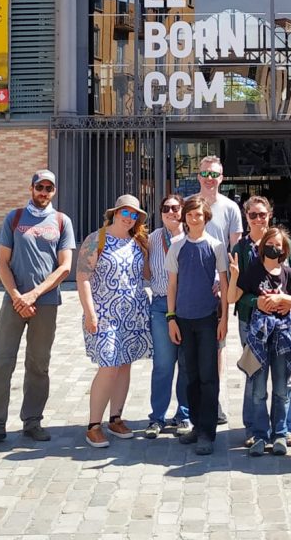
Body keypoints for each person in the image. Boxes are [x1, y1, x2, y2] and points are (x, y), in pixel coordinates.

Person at [0, 170, 76, 450]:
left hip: (45, 304)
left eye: (49, 188)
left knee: (38, 365)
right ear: (31, 188)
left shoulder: (61, 221)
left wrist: (34, 294)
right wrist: (18, 296)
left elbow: (65, 266)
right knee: (0, 362)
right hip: (14, 303)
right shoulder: (15, 218)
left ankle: (32, 422)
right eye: (40, 187)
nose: (44, 192)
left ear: (54, 191)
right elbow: (2, 262)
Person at [76, 194, 152, 448]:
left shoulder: (137, 241)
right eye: (125, 213)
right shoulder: (96, 239)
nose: (129, 219)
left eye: (134, 215)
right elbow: (83, 278)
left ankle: (116, 417)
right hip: (104, 315)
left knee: (124, 365)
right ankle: (93, 425)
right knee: (108, 365)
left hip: (133, 314)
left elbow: (146, 275)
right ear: (115, 213)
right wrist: (89, 312)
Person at [231, 195, 291, 447]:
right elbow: (239, 291)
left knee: (285, 377)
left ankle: (284, 429)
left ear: (269, 215)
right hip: (251, 322)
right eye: (253, 215)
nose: (258, 219)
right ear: (246, 217)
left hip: (285, 319)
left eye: (262, 214)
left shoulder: (283, 243)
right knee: (256, 374)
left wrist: (286, 301)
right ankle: (254, 428)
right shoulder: (241, 249)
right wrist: (256, 302)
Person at [165, 195, 228, 455]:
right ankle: (194, 424)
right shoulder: (177, 246)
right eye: (190, 214)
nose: (194, 218)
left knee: (208, 376)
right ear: (185, 217)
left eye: (198, 215)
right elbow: (172, 285)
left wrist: (224, 318)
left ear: (206, 218)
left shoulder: (215, 246)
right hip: (183, 319)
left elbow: (224, 284)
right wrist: (171, 318)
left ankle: (207, 431)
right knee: (189, 375)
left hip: (207, 319)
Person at [193, 154, 242, 423]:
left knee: (217, 346)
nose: (210, 179)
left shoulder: (231, 208)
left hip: (217, 287)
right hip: (191, 285)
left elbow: (235, 249)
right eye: (206, 174)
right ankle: (189, 406)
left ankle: (215, 402)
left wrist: (227, 284)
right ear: (198, 176)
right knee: (189, 348)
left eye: (215, 175)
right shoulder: (190, 205)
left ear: (222, 178)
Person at [144, 194, 190, 439]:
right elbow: (145, 271)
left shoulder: (191, 237)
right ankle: (157, 417)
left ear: (182, 210)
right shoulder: (151, 239)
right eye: (166, 209)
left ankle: (184, 414)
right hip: (161, 305)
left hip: (187, 306)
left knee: (185, 363)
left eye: (175, 208)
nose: (171, 212)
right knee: (162, 364)